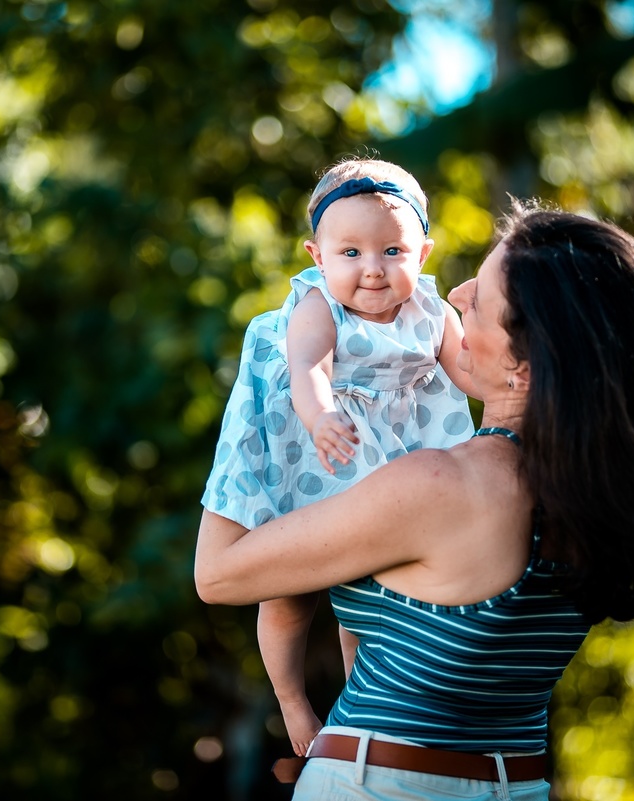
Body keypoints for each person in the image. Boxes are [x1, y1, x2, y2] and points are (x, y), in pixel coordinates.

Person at [195, 200, 634, 800]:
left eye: (478, 299)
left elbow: (218, 576)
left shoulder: (438, 488)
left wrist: (263, 375)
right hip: (520, 784)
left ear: (525, 368)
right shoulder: (601, 498)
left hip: (378, 784)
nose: (453, 296)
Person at [201, 157, 476, 756]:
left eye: (392, 251)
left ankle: (362, 700)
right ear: (317, 255)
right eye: (349, 253)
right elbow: (309, 367)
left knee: (368, 595)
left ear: (423, 254)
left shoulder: (433, 312)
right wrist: (322, 416)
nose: (372, 270)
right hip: (316, 455)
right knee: (289, 596)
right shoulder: (316, 306)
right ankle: (294, 706)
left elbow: (469, 373)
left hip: (387, 467)